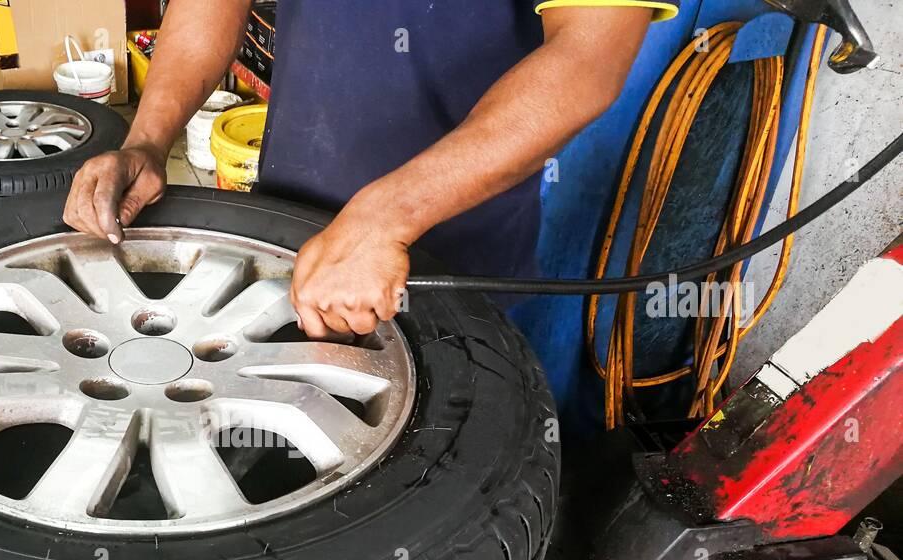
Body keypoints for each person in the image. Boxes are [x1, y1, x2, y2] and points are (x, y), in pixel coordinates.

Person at [64, 0, 678, 338]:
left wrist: (385, 219)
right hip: (285, 226)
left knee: (430, 492)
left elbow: (588, 57)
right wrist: (146, 142)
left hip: (451, 257)